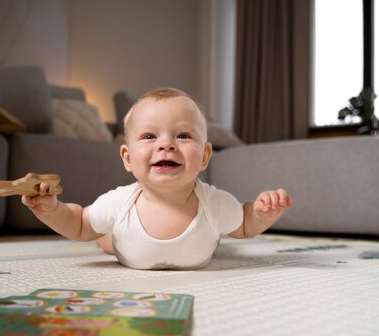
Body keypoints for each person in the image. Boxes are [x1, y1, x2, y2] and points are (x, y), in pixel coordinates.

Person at [22, 87, 292, 270]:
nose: (166, 145)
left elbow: (244, 224)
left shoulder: (214, 203)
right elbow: (79, 223)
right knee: (104, 236)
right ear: (127, 158)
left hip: (204, 231)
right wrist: (52, 210)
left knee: (218, 232)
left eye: (183, 135)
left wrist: (262, 213)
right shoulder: (120, 203)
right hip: (127, 241)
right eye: (150, 136)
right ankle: (108, 238)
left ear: (205, 156)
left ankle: (211, 237)